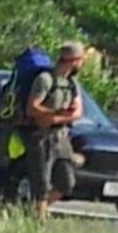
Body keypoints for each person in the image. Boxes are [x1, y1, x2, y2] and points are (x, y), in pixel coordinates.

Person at [23, 41, 85, 220]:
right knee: (41, 185)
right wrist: (54, 113)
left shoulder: (72, 83)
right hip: (42, 138)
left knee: (67, 182)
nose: (81, 64)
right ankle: (38, 219)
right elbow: (32, 108)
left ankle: (35, 211)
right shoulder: (45, 80)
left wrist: (58, 118)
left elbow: (77, 112)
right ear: (74, 60)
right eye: (81, 60)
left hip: (62, 138)